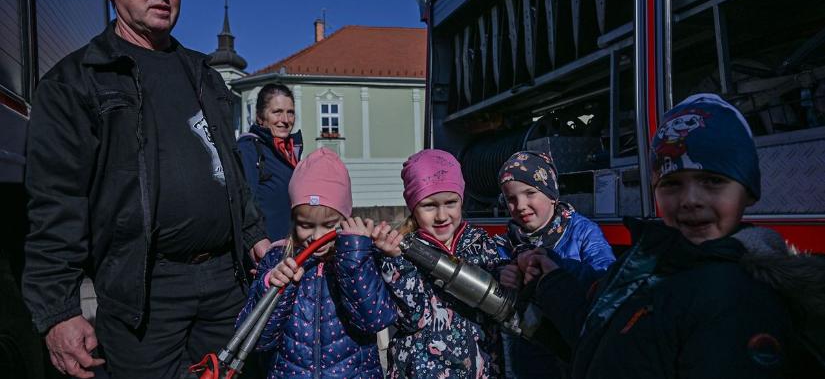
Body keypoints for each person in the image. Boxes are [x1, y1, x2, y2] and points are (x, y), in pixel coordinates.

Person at [22, 0, 270, 378]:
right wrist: (57, 310)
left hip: (224, 282)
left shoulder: (203, 74)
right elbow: (56, 201)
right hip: (145, 292)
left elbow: (229, 167)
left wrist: (254, 234)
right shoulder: (75, 82)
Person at [518, 93, 825, 378]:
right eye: (672, 183)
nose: (690, 199)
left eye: (712, 181)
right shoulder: (652, 264)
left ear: (749, 192)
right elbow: (597, 335)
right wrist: (552, 280)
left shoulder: (740, 303)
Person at [237, 147, 397, 377]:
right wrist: (274, 285)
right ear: (293, 220)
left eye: (329, 224)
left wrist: (353, 260)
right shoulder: (277, 259)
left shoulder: (361, 255)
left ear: (345, 217)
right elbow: (258, 340)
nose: (317, 236)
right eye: (305, 225)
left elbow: (375, 321)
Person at [372, 149, 508, 378]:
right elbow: (411, 318)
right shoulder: (403, 251)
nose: (442, 215)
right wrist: (395, 262)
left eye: (451, 203)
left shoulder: (481, 243)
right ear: (413, 208)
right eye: (429, 205)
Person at [496, 150, 615, 378]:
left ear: (551, 194)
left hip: (572, 353)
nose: (520, 205)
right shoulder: (505, 243)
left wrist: (557, 269)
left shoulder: (583, 233)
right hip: (526, 359)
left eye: (530, 192)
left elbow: (606, 279)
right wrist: (503, 274)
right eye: (511, 198)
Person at [238, 83, 303, 241]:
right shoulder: (249, 149)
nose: (286, 120)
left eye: (290, 112)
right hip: (266, 254)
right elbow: (243, 206)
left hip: (292, 251)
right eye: (277, 112)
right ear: (260, 117)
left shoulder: (291, 151)